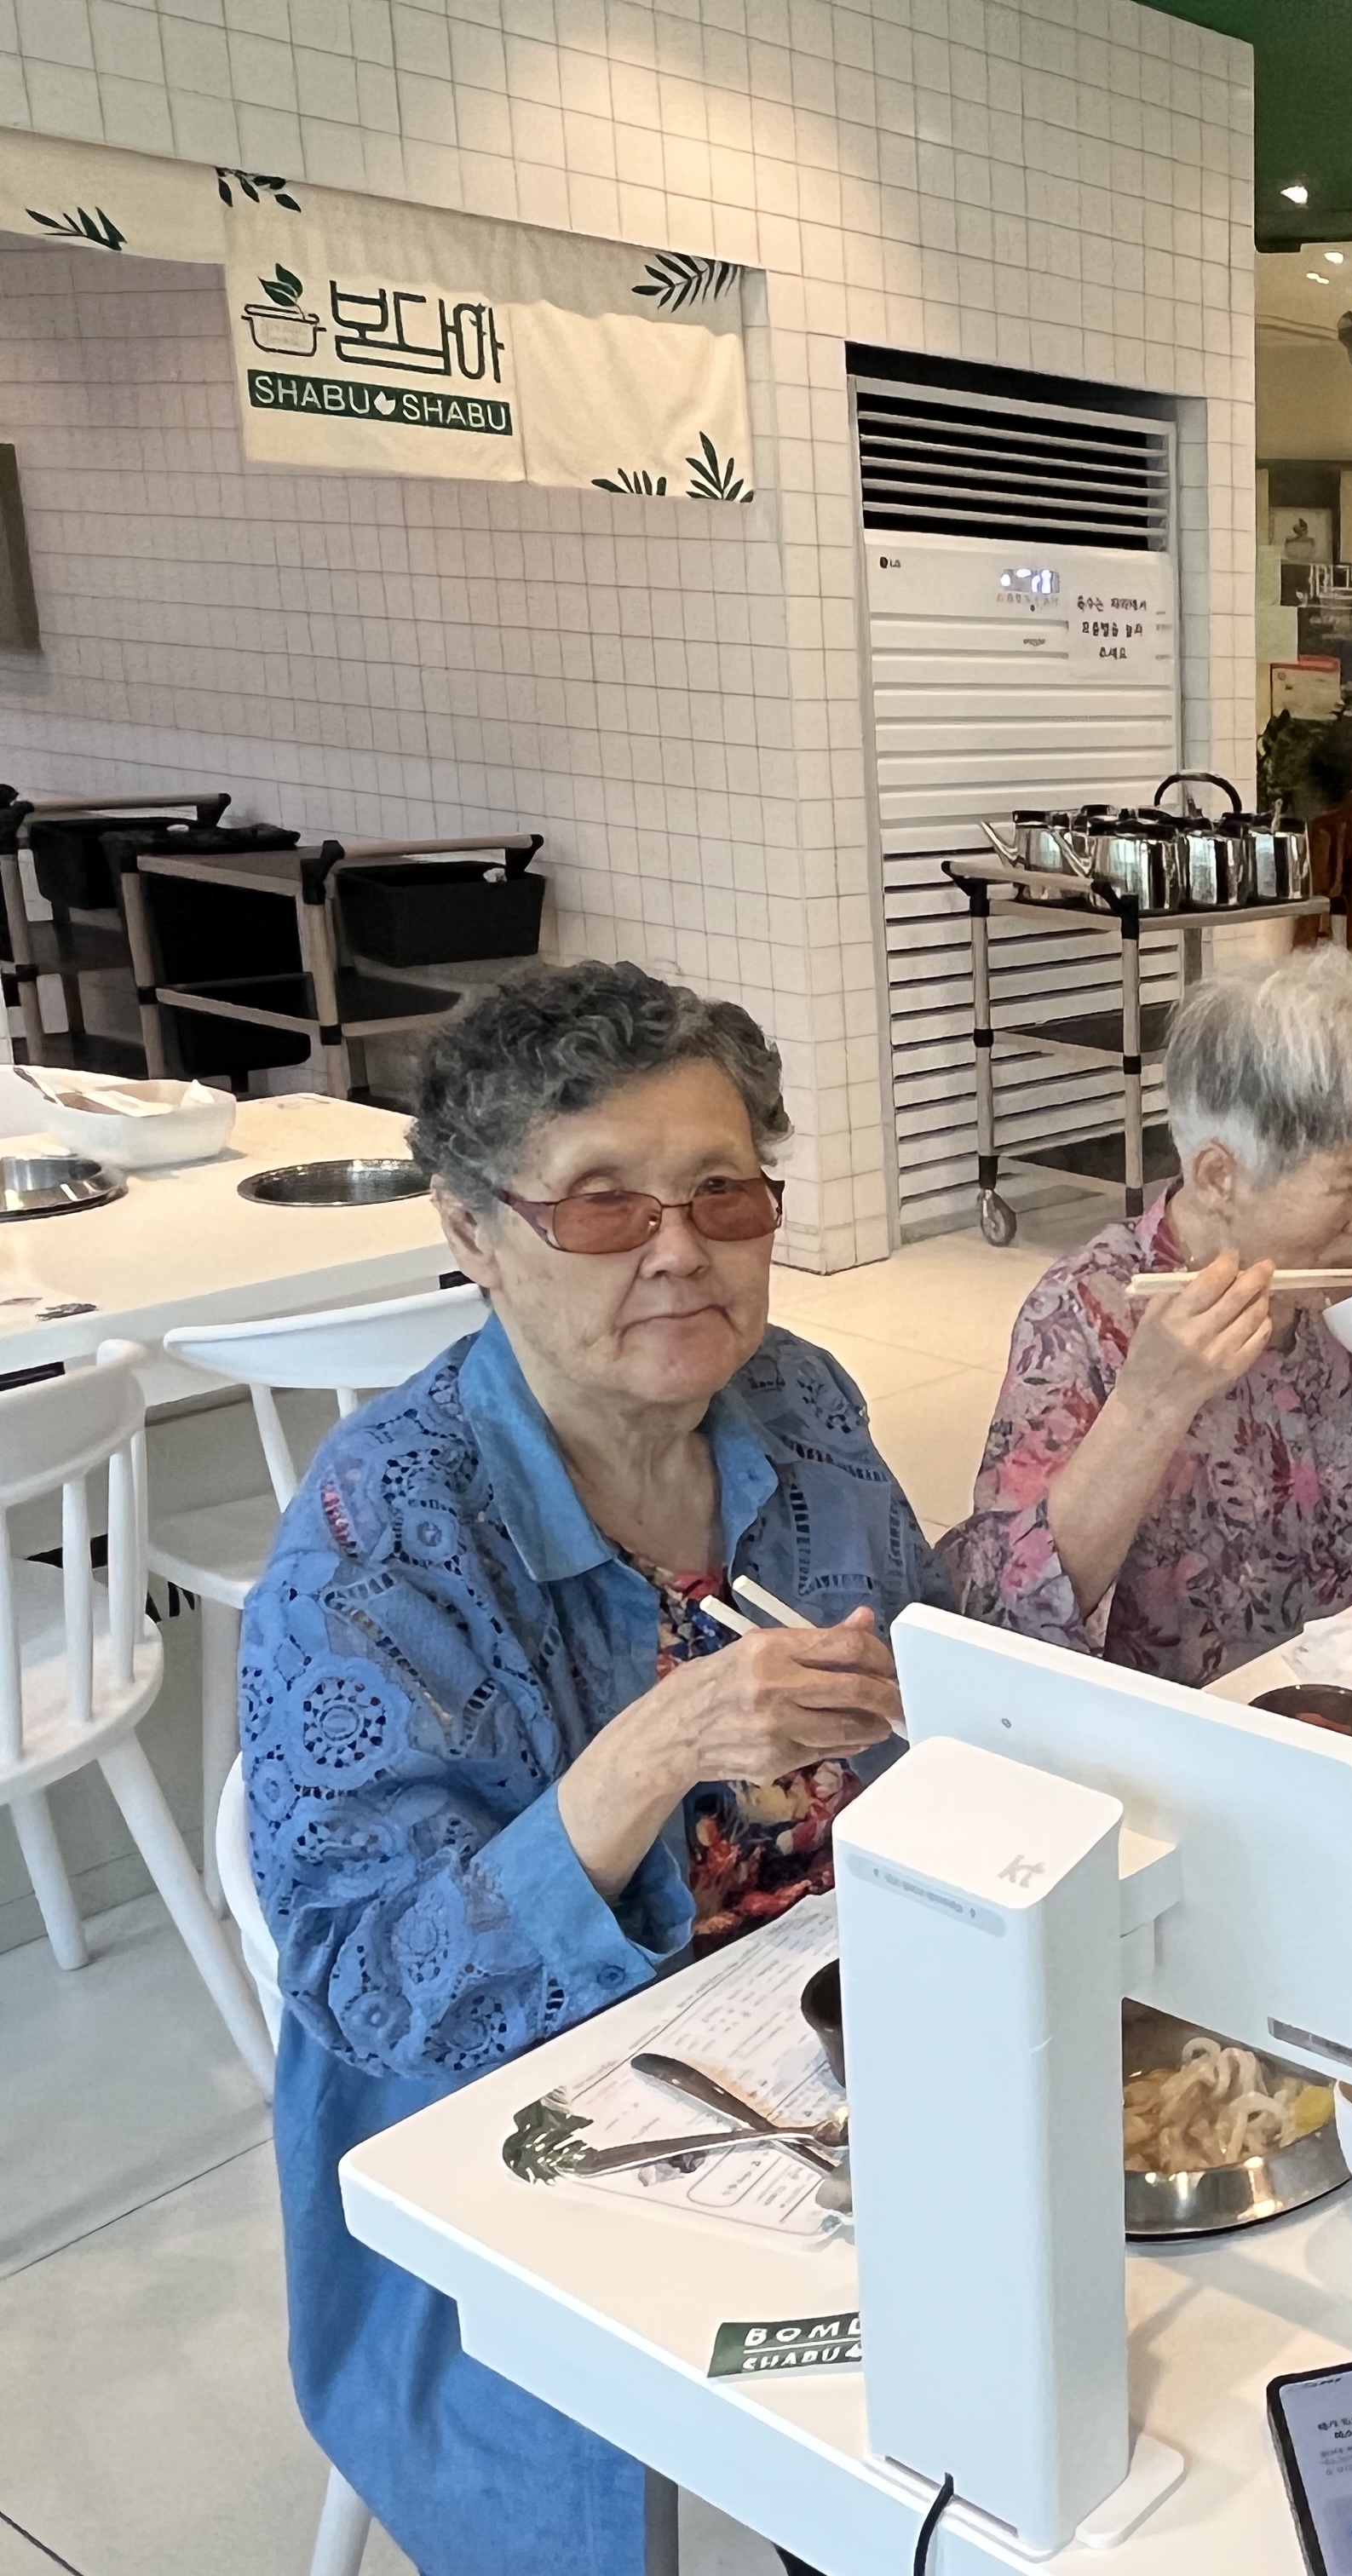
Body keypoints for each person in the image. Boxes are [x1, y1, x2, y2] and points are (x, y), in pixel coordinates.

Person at [244, 963, 943, 2576]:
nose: (679, 1247)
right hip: (528, 2139)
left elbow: (920, 1689)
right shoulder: (377, 1540)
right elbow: (369, 1984)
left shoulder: (799, 1401)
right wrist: (651, 1752)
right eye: (602, 1204)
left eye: (722, 1190)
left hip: (835, 2039)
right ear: (473, 1231)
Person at [946, 945, 1352, 1683]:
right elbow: (1001, 1610)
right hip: (1182, 1724)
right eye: (1345, 1183)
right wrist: (1149, 1406)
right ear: (1217, 1175)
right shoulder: (1087, 1310)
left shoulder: (1346, 1268)